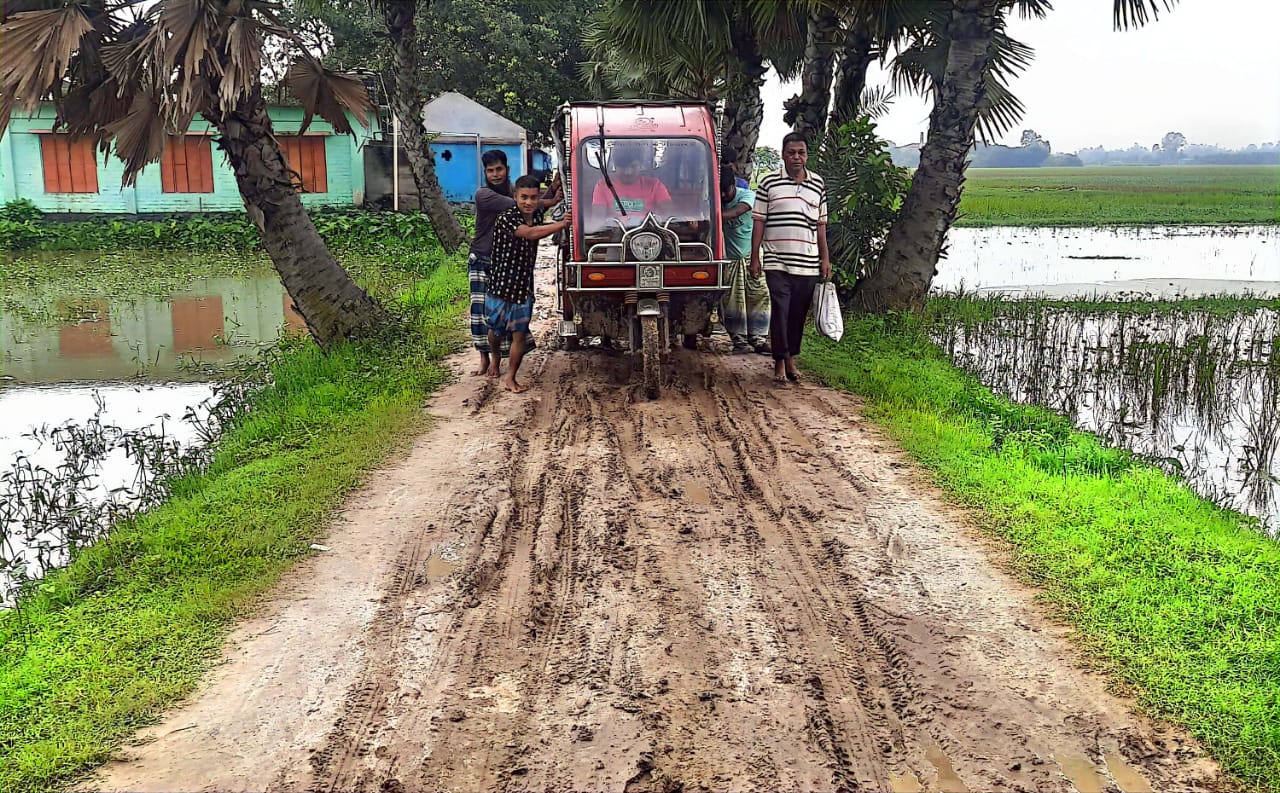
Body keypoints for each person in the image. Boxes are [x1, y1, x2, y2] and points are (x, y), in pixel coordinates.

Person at [468, 150, 560, 376]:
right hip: (483, 259)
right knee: (481, 314)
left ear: (507, 170)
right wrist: (551, 199)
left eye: (499, 169)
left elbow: (531, 201)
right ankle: (486, 359)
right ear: (485, 173)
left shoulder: (515, 192)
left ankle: (504, 359)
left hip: (508, 264)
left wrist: (554, 189)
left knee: (510, 315)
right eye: (490, 171)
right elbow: (526, 204)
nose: (496, 174)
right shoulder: (484, 195)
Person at [750, 132, 830, 385]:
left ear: (807, 156)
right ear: (783, 155)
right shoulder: (769, 183)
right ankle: (779, 364)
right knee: (781, 311)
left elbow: (821, 226)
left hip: (807, 263)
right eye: (791, 152)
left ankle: (791, 359)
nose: (796, 157)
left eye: (801, 153)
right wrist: (755, 257)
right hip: (777, 262)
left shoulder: (818, 184)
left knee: (797, 314)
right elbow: (759, 222)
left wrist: (825, 260)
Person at [486, 175, 570, 393]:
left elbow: (549, 200)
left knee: (519, 333)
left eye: (533, 198)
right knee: (495, 330)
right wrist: (562, 223)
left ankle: (511, 377)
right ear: (515, 197)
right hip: (500, 285)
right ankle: (495, 357)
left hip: (524, 286)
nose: (529, 202)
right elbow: (530, 233)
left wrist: (556, 183)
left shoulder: (538, 212)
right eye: (524, 197)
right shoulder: (507, 218)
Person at [719, 166, 770, 355]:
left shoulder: (747, 196)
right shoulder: (715, 199)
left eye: (727, 191)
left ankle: (759, 339)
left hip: (752, 255)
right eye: (720, 191)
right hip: (729, 259)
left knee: (758, 295)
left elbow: (737, 212)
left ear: (734, 185)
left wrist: (709, 216)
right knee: (732, 301)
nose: (724, 195)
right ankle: (739, 341)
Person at [590, 145, 672, 224]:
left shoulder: (654, 185)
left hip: (648, 234)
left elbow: (669, 214)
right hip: (614, 234)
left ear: (641, 166)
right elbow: (597, 219)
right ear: (615, 166)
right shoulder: (603, 185)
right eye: (622, 167)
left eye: (633, 166)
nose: (628, 172)